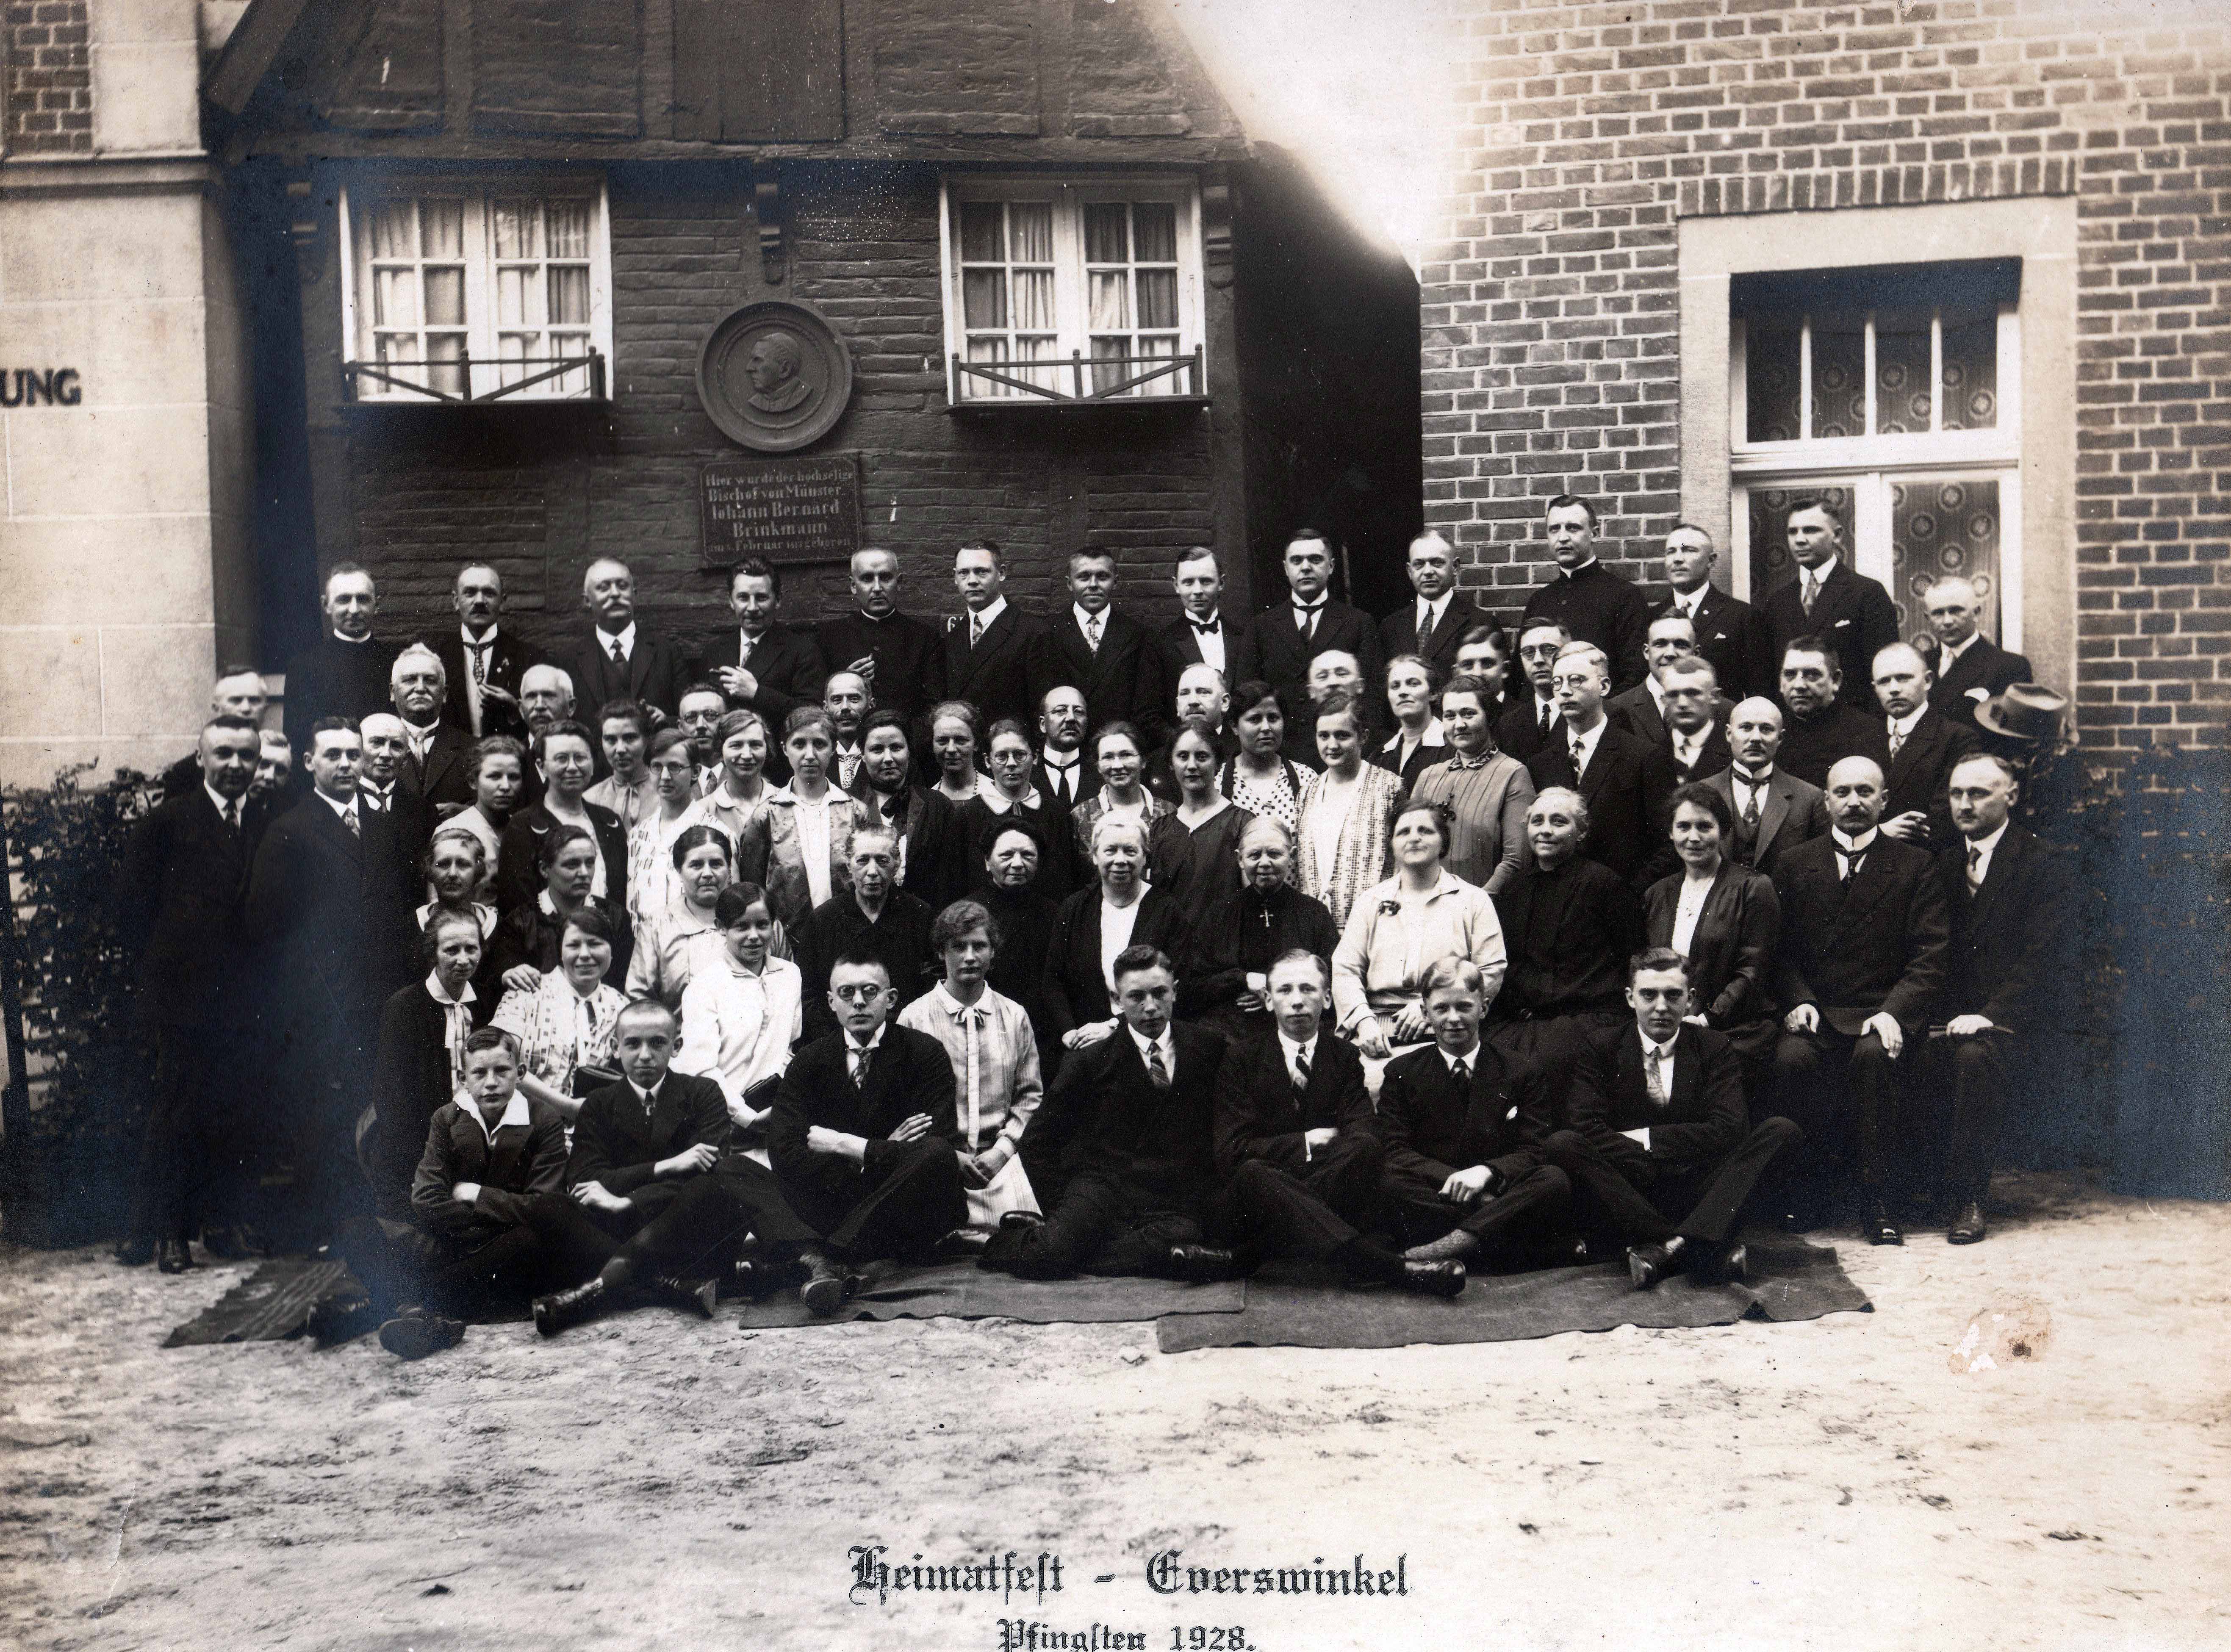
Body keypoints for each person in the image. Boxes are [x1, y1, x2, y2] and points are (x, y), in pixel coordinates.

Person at [527, 999, 819, 1333]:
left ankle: (601, 1289)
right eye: (633, 1044)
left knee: (716, 1185)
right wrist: (667, 1166)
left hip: (687, 1230)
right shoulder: (598, 1104)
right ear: (615, 1047)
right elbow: (585, 1180)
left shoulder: (702, 1093)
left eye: (657, 1043)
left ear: (676, 1046)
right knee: (548, 1206)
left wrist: (629, 1200)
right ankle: (668, 1285)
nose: (645, 1055)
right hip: (619, 1230)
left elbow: (708, 1173)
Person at [1772, 756, 1951, 1244]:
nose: (1853, 802)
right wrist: (1799, 1000)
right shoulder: (1794, 863)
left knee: (1874, 1059)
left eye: (1865, 792)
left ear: (1884, 800)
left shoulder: (1914, 865)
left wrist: (1893, 1013)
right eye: (1843, 792)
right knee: (1791, 1061)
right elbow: (1779, 952)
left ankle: (1878, 1201)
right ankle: (1803, 1193)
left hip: (1880, 1011)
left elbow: (1929, 956)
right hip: (1818, 1010)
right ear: (1825, 800)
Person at [247, 717, 414, 1238]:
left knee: (380, 1105)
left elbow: (399, 906)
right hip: (324, 1000)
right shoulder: (291, 830)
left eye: (353, 755)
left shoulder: (384, 824)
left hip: (381, 994)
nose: (346, 765)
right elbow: (268, 926)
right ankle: (332, 1226)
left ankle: (377, 1219)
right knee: (328, 1111)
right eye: (334, 756)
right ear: (309, 763)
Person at [113, 715, 269, 1272]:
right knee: (177, 1111)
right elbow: (131, 914)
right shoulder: (168, 823)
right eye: (222, 754)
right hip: (183, 998)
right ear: (200, 759)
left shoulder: (265, 821)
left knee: (233, 1110)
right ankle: (167, 1233)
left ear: (258, 763)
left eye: (244, 756)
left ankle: (222, 1223)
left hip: (245, 998)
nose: (234, 766)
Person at [1212, 951, 1463, 1297]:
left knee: (1366, 1148)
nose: (1298, 1001)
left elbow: (1363, 1133)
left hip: (1309, 1189)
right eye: (1285, 991)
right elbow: (1232, 1152)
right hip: (1261, 1195)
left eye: (1308, 989)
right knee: (1255, 1172)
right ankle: (1388, 1268)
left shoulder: (1343, 1056)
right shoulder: (1240, 1058)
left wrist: (1309, 1171)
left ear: (1327, 998)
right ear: (1268, 1001)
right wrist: (1307, 1142)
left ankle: (1259, 1252)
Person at [1545, 951, 1803, 1288]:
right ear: (1630, 998)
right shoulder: (1602, 1046)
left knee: (1781, 1132)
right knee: (1561, 1144)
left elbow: (1729, 1128)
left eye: (1673, 995)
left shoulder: (1713, 1046)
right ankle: (1697, 1247)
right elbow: (1584, 1127)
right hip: (1627, 1190)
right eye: (1648, 995)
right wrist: (1646, 1152)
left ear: (1690, 999)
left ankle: (1665, 1250)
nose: (1661, 1007)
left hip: (1700, 1188)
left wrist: (1647, 1139)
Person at [983, 947, 1233, 1281]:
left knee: (1181, 1240)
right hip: (1104, 1189)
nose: (1150, 1007)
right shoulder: (1091, 1061)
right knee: (1047, 1257)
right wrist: (1060, 1207)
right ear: (1117, 1000)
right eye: (1136, 997)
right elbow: (1038, 1140)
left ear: (1175, 990)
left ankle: (1063, 1240)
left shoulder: (1209, 1047)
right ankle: (1022, 1240)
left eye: (1160, 993)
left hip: (1171, 1196)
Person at [331, 1027, 569, 1360]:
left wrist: (475, 1194)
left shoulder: (544, 1121)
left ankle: (411, 1307)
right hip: (453, 1243)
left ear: (521, 1072)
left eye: (502, 1071)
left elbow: (544, 1206)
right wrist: (487, 1217)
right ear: (463, 1077)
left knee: (530, 1240)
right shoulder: (447, 1119)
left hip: (503, 1249)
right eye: (479, 1073)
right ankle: (427, 1312)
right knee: (357, 1231)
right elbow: (425, 1198)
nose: (491, 1083)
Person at [1926, 754, 2073, 1244]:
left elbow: (2045, 959)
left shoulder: (2043, 862)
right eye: (1955, 794)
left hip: (2016, 1022)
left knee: (1972, 1056)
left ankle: (1968, 1199)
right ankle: (1906, 1187)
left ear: (2009, 795)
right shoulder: (1942, 864)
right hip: (1948, 1018)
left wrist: (1988, 1015)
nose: (1963, 805)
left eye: (1978, 793)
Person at [768, 953, 969, 1304]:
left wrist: (848, 1145)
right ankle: (832, 1254)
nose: (858, 1002)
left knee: (936, 1154)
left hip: (901, 1213)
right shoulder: (807, 1062)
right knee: (732, 1170)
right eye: (846, 993)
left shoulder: (924, 1053)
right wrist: (885, 1150)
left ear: (890, 999)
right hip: (834, 1200)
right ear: (831, 1002)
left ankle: (821, 1257)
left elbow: (940, 1141)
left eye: (870, 991)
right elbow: (784, 1150)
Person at [1373, 957, 1572, 1266]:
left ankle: (1452, 1246)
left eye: (1464, 1007)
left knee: (1553, 1178)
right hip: (1442, 1192)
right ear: (1425, 1013)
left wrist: (1486, 1174)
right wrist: (1457, 1180)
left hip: (1497, 1187)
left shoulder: (1522, 1070)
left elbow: (1534, 1148)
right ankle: (1508, 1246)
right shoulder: (1402, 1072)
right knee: (1388, 1180)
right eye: (1441, 1009)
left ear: (1484, 1007)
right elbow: (1395, 1150)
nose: (1453, 1019)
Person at [898, 899, 1046, 1230]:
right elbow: (905, 1101)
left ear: (993, 952)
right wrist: (948, 1155)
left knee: (1024, 1233)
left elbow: (1030, 1096)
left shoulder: (1014, 1015)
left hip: (1001, 1161)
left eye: (979, 946)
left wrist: (1002, 1151)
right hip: (938, 1161)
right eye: (958, 947)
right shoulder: (914, 1018)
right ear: (941, 952)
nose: (969, 956)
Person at [1488, 787, 1643, 1092]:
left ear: (1581, 832)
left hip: (1586, 1018)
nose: (1545, 830)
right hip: (1523, 1021)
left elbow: (1632, 957)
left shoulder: (1604, 884)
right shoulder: (1515, 889)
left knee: (1541, 1066)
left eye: (1558, 822)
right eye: (1537, 822)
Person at [1330, 798, 1507, 1062]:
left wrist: (1430, 1007)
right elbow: (1345, 969)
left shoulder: (1473, 900)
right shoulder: (1370, 902)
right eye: (1404, 832)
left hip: (1447, 1029)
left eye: (1425, 831)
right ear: (1392, 844)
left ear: (1443, 842)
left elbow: (1490, 970)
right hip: (1376, 1034)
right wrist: (1363, 1022)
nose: (1414, 838)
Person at [1643, 784, 1782, 1089]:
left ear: (1724, 831)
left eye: (1704, 826)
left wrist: (1705, 1020)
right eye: (1683, 827)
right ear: (1670, 833)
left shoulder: (1752, 888)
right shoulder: (1657, 894)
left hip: (1734, 1029)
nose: (1693, 837)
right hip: (1668, 1027)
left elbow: (1752, 972)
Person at [364, 909, 494, 1230]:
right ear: (432, 952)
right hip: (415, 1154)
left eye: (471, 949)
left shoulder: (485, 1004)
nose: (463, 960)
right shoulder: (404, 1006)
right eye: (451, 950)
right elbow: (393, 1101)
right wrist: (424, 1164)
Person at [1524, 642, 1673, 885]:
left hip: (1618, 905)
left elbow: (1666, 846)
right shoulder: (1541, 764)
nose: (1565, 691)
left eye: (1576, 680)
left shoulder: (1644, 757)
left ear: (1604, 686)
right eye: (1557, 683)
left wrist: (1628, 896)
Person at [1183, 817, 1342, 1042]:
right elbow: (1193, 986)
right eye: (1255, 855)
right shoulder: (1220, 913)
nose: (1264, 863)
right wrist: (1244, 979)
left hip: (1298, 1033)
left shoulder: (1314, 913)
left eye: (1275, 854)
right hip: (1233, 1038)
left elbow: (1333, 981)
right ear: (1240, 859)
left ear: (1292, 856)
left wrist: (1275, 993)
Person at [1041, 816, 1189, 1055]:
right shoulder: (1075, 908)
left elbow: (1178, 986)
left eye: (1130, 851)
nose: (1120, 860)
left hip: (1147, 1041)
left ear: (1144, 858)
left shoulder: (1167, 910)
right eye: (1110, 850)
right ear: (1095, 856)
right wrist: (1069, 1032)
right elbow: (1053, 980)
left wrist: (1115, 1027)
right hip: (1084, 1042)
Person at [674, 883, 803, 1157]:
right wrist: (746, 1116)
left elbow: (789, 1046)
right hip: (722, 1125)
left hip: (775, 1119)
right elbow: (700, 1069)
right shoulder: (704, 986)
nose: (754, 936)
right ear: (721, 927)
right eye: (741, 927)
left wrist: (779, 1105)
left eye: (762, 925)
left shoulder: (790, 976)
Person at [793, 826, 936, 1042]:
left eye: (882, 861)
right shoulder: (823, 921)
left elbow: (931, 987)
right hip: (839, 1042)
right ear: (849, 865)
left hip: (906, 1039)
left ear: (896, 865)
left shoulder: (920, 915)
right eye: (863, 861)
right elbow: (809, 996)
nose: (872, 871)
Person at [489, 901, 629, 1122]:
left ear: (612, 952)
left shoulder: (621, 1008)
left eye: (595, 944)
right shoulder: (527, 992)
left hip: (591, 1132)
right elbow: (498, 1061)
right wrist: (568, 1107)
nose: (585, 955)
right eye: (574, 945)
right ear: (560, 952)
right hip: (525, 1125)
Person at [1031, 547, 1174, 753]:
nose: (1093, 585)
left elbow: (1145, 711)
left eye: (1102, 577)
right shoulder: (1046, 634)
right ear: (1070, 583)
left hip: (1117, 754)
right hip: (1065, 755)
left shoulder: (1139, 635)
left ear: (1115, 581)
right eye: (1084, 577)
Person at [1761, 499, 1899, 712]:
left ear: (1837, 535)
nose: (1799, 540)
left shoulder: (1867, 593)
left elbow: (1884, 672)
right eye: (1793, 532)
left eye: (1811, 530)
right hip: (1792, 731)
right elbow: (1768, 680)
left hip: (1851, 728)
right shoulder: (1777, 602)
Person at [1231, 528, 1385, 715]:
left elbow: (1373, 695)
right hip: (1284, 741)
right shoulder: (1261, 627)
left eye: (1315, 559)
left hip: (1338, 737)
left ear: (1331, 566)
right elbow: (1246, 696)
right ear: (1286, 568)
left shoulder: (1359, 622)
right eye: (1296, 561)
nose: (1305, 567)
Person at [1409, 672, 1533, 896]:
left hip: (1485, 909)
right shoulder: (1428, 776)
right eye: (1450, 716)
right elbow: (1408, 847)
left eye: (1469, 714)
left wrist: (1474, 907)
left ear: (1490, 717)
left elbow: (1516, 860)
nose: (1459, 724)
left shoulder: (1513, 773)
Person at [746, 706, 865, 931]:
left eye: (819, 744)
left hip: (848, 933)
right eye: (799, 744)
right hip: (789, 939)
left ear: (833, 749)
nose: (810, 755)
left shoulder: (855, 811)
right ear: (784, 749)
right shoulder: (767, 814)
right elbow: (754, 885)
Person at [1520, 494, 1649, 694]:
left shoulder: (1625, 596)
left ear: (1594, 533)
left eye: (1573, 528)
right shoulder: (1539, 601)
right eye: (1554, 529)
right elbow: (1522, 678)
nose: (1562, 537)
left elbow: (1636, 673)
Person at [1294, 691, 1401, 931]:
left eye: (1342, 736)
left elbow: (1401, 862)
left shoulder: (1390, 787)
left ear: (1362, 737)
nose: (1332, 745)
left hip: (1373, 925)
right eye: (1324, 736)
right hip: (1317, 929)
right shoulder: (1307, 792)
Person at [711, 557, 828, 775]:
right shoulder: (715, 651)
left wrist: (756, 693)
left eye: (762, 598)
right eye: (743, 598)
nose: (753, 607)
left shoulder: (802, 651)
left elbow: (811, 715)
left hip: (778, 772)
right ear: (731, 601)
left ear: (778, 600)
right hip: (723, 771)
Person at [498, 720, 628, 915]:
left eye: (581, 758)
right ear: (542, 767)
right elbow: (518, 911)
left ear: (593, 764)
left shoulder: (610, 822)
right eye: (561, 759)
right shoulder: (523, 826)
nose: (573, 767)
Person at [1703, 696, 1832, 877]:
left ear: (1780, 738)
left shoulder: (1810, 798)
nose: (1756, 738)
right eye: (1746, 728)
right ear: (1729, 734)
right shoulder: (1702, 792)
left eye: (1766, 729)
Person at [488, 823, 627, 990]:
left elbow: (623, 982)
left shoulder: (615, 917)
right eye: (572, 865)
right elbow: (501, 977)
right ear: (545, 869)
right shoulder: (520, 924)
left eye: (589, 863)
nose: (584, 873)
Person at [975, 820, 1064, 1081]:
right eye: (1006, 855)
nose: (1017, 863)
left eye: (1027, 855)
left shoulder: (1056, 914)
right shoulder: (970, 913)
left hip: (1043, 1035)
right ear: (988, 862)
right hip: (986, 1030)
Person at [282, 564, 398, 762]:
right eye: (344, 600)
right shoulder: (304, 666)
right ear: (326, 605)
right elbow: (299, 742)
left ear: (377, 605)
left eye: (363, 600)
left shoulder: (396, 661)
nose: (354, 610)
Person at [855, 709, 969, 911]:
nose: (888, 758)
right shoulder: (849, 807)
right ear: (863, 755)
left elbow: (952, 882)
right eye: (877, 750)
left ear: (909, 751)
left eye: (897, 748)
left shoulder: (937, 806)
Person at [1872, 642, 1979, 854]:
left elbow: (1944, 818)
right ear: (1875, 688)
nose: (1894, 689)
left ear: (1928, 681)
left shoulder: (1958, 738)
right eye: (1884, 681)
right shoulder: (1863, 738)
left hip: (1929, 865)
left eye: (1904, 678)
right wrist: (1879, 833)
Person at [817, 547, 942, 728]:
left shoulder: (925, 638)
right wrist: (845, 680)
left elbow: (932, 707)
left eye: (885, 578)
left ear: (899, 582)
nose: (877, 588)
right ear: (853, 586)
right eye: (867, 579)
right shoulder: (828, 636)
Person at [558, 557, 690, 727]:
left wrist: (665, 721)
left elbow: (688, 718)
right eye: (604, 588)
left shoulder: (668, 653)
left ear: (634, 595)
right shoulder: (568, 661)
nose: (615, 594)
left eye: (622, 586)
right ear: (587, 601)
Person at [1651, 522, 1773, 700]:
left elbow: (1760, 691)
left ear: (1711, 560)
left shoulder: (1742, 616)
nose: (1678, 559)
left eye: (1689, 550)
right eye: (1671, 552)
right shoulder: (1652, 617)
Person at [626, 821, 740, 1009]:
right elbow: (639, 1002)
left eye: (716, 864)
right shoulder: (656, 928)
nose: (707, 874)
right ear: (679, 871)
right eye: (696, 865)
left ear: (729, 868)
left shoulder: (755, 921)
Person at [940, 541, 1050, 734]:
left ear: (1001, 573)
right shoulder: (951, 639)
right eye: (964, 573)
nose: (972, 580)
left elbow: (1041, 711)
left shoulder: (1033, 632)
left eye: (982, 572)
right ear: (955, 578)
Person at [961, 718, 1073, 904]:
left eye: (1020, 755)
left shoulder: (1056, 813)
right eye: (1002, 756)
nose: (1011, 763)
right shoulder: (969, 814)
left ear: (1035, 758)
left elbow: (1064, 880)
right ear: (988, 762)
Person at [1145, 718, 1253, 912]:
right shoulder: (1160, 829)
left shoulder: (1242, 823)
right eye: (1183, 756)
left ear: (1218, 763)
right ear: (1171, 763)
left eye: (1202, 757)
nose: (1192, 765)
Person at [433, 562, 543, 740]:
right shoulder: (437, 657)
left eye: (489, 593)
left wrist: (516, 711)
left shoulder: (529, 658)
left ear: (502, 602)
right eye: (470, 593)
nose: (479, 601)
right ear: (456, 601)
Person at [1922, 577, 2031, 734]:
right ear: (1928, 618)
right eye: (1938, 613)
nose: (1947, 621)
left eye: (1956, 611)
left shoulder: (2010, 666)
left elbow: (2012, 737)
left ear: (1977, 612)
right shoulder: (1921, 664)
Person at [1775, 637, 1883, 790]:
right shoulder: (1771, 732)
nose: (1799, 685)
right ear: (1781, 682)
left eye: (1812, 675)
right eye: (1790, 675)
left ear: (1836, 680)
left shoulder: (1867, 731)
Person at [1379, 529, 1480, 687]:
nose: (1428, 571)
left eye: (1437, 563)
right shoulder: (1390, 627)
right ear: (1410, 571)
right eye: (1419, 564)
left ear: (1455, 567)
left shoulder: (1479, 622)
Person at [1069, 720, 1170, 868]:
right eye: (1108, 757)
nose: (1117, 765)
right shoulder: (1080, 817)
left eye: (1126, 755)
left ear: (1144, 761)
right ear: (1098, 766)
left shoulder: (1168, 813)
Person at [157, 667, 271, 798]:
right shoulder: (188, 772)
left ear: (266, 709)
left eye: (254, 700)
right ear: (216, 709)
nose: (246, 708)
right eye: (236, 700)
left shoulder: (283, 765)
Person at [683, 707, 778, 863]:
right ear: (721, 751)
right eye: (736, 745)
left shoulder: (785, 802)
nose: (747, 755)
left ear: (767, 749)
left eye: (756, 745)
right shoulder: (701, 812)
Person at [389, 643, 473, 817]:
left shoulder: (472, 749)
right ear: (393, 692)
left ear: (444, 694)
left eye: (430, 680)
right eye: (410, 680)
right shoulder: (370, 749)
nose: (420, 688)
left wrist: (466, 813)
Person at [1220, 679, 1311, 838]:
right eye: (1255, 719)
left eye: (1273, 718)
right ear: (1235, 726)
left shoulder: (1306, 780)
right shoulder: (1217, 783)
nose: (1266, 728)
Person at [1142, 664, 1239, 805]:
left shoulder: (1242, 753)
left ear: (1224, 702)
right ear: (1177, 706)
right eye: (1185, 693)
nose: (1193, 701)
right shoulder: (1156, 763)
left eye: (1203, 692)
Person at [442, 736, 528, 892]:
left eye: (514, 777)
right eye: (495, 776)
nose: (506, 786)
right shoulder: (452, 832)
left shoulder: (524, 829)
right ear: (473, 781)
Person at [1158, 545, 1243, 682]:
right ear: (1176, 586)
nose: (1198, 590)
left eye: (1206, 581)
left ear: (1221, 583)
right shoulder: (1161, 642)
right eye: (1188, 582)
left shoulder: (1243, 637)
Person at [1494, 619, 1569, 765]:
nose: (1538, 660)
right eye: (1529, 652)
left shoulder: (1593, 715)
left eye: (1549, 650)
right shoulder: (1507, 725)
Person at [584, 699, 658, 835]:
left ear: (647, 740)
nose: (620, 749)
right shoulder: (590, 799)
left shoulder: (667, 793)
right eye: (611, 740)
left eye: (629, 738)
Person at [1659, 655, 1734, 786]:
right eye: (1673, 695)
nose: (1682, 703)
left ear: (1715, 697)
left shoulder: (1733, 752)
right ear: (1664, 700)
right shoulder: (1654, 754)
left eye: (1693, 693)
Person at [1375, 654, 1447, 787]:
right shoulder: (1380, 757)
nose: (1402, 692)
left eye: (1413, 684)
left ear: (1433, 694)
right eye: (1395, 686)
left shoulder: (1452, 745)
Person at [1031, 684, 1097, 819]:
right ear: (1043, 724)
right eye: (1061, 711)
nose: (1071, 718)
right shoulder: (1027, 774)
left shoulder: (1100, 773)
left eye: (1079, 712)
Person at [928, 700, 993, 807]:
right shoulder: (926, 802)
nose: (951, 749)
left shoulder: (994, 794)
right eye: (943, 741)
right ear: (933, 744)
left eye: (960, 740)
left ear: (976, 744)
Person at [676, 682, 732, 796]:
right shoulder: (670, 782)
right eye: (691, 717)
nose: (700, 725)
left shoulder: (748, 780)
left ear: (727, 721)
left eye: (711, 715)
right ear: (680, 727)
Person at [1451, 623, 1513, 718]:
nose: (1477, 673)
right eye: (1468, 665)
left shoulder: (1527, 716)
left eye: (1487, 664)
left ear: (1505, 670)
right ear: (1456, 673)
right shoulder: (1445, 720)